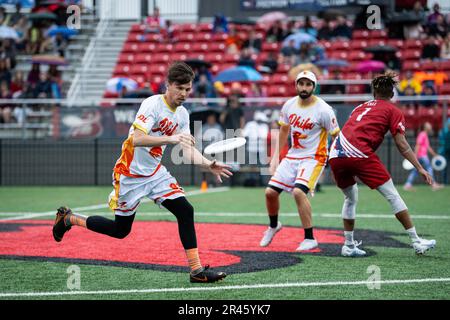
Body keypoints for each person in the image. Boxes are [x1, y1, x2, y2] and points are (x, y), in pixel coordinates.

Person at [52, 62, 232, 283]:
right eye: (180, 88)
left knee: (185, 210)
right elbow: (137, 140)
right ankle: (69, 219)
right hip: (130, 174)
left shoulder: (183, 114)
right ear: (168, 85)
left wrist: (208, 164)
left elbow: (187, 150)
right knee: (120, 230)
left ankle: (196, 271)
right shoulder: (152, 105)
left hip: (156, 173)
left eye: (188, 89)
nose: (184, 94)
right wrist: (171, 138)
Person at [328, 72, 437, 257]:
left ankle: (348, 245)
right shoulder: (393, 110)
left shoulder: (360, 107)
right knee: (392, 195)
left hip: (336, 152)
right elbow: (402, 144)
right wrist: (419, 167)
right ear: (392, 93)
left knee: (350, 197)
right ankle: (417, 242)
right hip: (358, 152)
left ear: (373, 93)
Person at [260, 71, 340, 251]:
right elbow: (283, 132)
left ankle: (310, 238)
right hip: (293, 156)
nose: (304, 87)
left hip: (314, 157)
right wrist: (274, 158)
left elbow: (337, 136)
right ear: (296, 85)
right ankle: (273, 226)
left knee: (298, 192)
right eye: (301, 83)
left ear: (314, 86)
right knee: (269, 193)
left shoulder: (324, 110)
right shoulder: (289, 105)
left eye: (308, 84)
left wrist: (338, 163)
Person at [404, 122, 444, 191]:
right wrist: (415, 155)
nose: (430, 126)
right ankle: (433, 184)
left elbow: (428, 147)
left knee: (415, 170)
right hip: (422, 156)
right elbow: (418, 145)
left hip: (420, 156)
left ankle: (408, 184)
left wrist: (434, 155)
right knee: (429, 168)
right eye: (428, 125)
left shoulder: (424, 135)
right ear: (425, 127)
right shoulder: (422, 134)